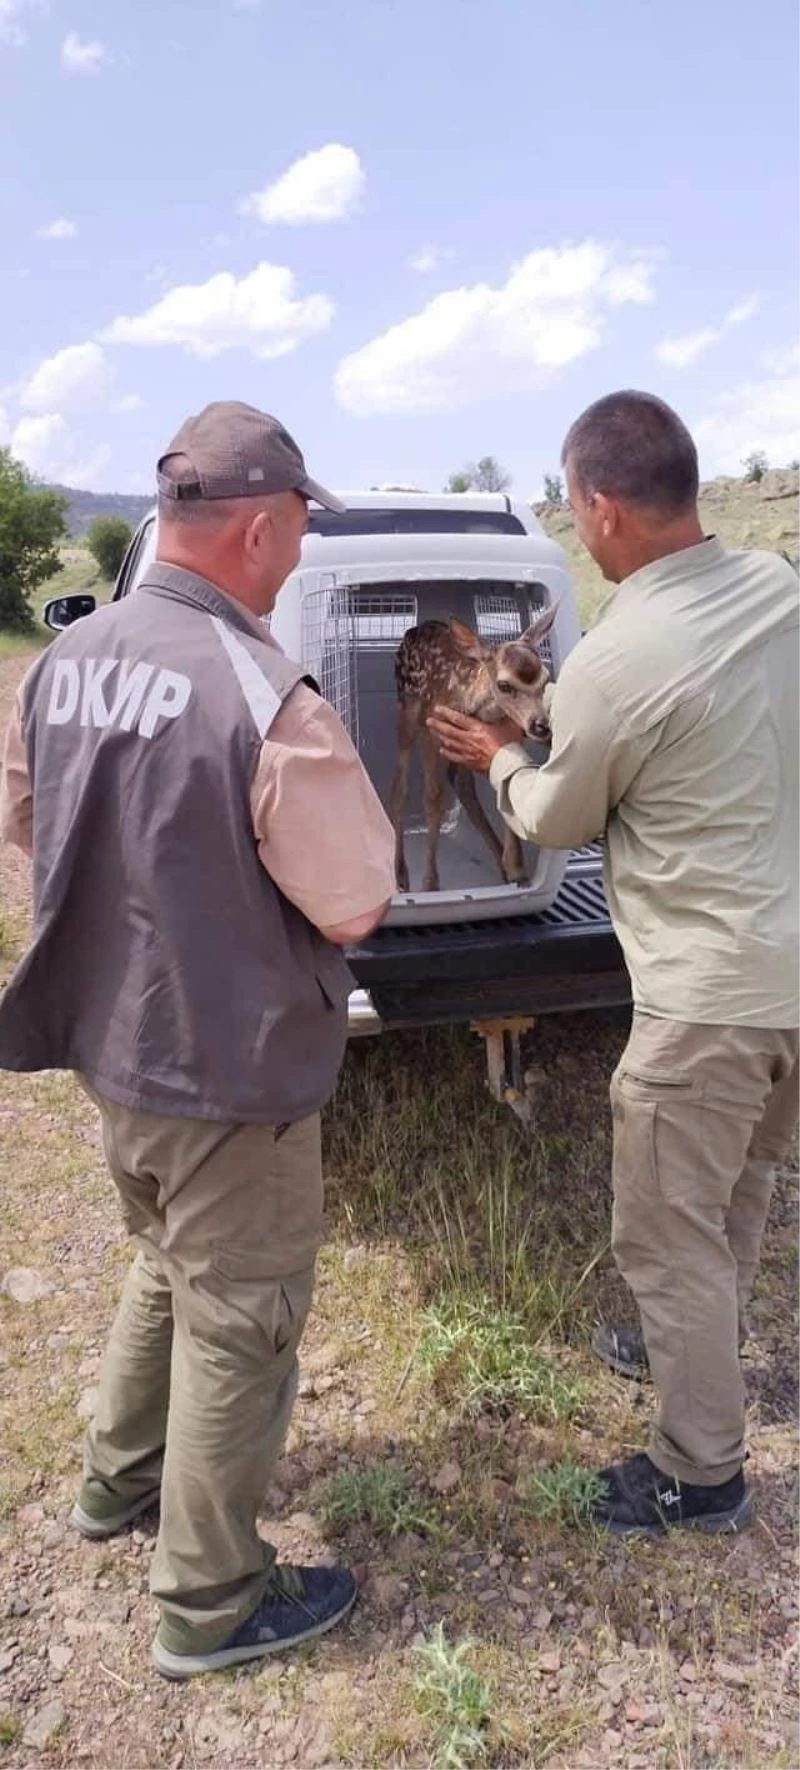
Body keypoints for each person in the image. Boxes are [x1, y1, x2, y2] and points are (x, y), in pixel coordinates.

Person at [0, 401, 396, 1677]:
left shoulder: (62, 663)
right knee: (243, 1316)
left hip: (116, 1050)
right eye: (294, 536)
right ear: (263, 528)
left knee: (168, 1264)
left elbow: (29, 828)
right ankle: (208, 1600)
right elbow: (354, 898)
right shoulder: (261, 689)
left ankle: (115, 1485)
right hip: (231, 1068)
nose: (292, 559)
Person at [428, 390, 799, 1538]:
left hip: (706, 999)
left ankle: (699, 1474)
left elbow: (552, 816)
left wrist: (494, 755)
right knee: (731, 1192)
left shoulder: (618, 656)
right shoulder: (779, 589)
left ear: (597, 508)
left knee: (660, 1229)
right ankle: (686, 1355)